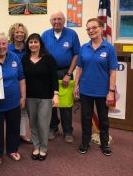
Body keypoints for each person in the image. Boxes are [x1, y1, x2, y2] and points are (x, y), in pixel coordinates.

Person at [73, 18, 118, 156]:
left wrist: (111, 91)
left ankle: (104, 143)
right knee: (85, 118)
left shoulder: (109, 48)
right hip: (86, 89)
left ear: (102, 28)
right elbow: (79, 68)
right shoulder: (84, 48)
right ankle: (85, 142)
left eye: (94, 28)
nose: (91, 31)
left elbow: (113, 71)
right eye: (88, 29)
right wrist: (76, 86)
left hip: (102, 91)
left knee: (103, 119)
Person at [41, 10, 80, 143]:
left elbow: (76, 55)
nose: (56, 21)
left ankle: (68, 130)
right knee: (51, 103)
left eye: (59, 19)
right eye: (54, 19)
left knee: (66, 105)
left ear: (64, 21)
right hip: (49, 74)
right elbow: (40, 54)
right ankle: (53, 128)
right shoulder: (45, 35)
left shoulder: (72, 34)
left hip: (65, 73)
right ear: (50, 21)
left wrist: (69, 74)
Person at [22, 33, 59, 161]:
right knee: (32, 123)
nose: (33, 44)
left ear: (40, 44)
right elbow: (21, 79)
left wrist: (56, 95)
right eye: (30, 42)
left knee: (43, 123)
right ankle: (36, 146)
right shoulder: (24, 59)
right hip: (29, 97)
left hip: (46, 97)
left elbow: (54, 78)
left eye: (35, 42)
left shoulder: (49, 58)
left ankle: (43, 148)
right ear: (28, 44)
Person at [0, 32, 26, 164]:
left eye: (4, 43)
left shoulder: (15, 58)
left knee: (14, 127)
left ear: (8, 44)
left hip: (13, 101)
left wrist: (23, 97)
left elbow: (21, 78)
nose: (1, 46)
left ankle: (12, 149)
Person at [8, 23, 32, 144]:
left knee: (23, 110)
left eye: (21, 32)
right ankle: (12, 135)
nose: (19, 34)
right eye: (17, 32)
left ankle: (22, 134)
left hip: (27, 83)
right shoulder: (7, 48)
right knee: (11, 112)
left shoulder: (29, 48)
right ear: (12, 34)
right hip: (12, 84)